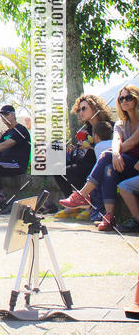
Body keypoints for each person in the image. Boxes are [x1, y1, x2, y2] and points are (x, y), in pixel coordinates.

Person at [58, 84, 139, 231]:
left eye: (128, 97)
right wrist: (115, 153)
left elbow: (131, 143)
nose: (124, 101)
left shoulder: (110, 125)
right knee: (108, 169)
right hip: (122, 163)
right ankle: (108, 216)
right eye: (121, 99)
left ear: (136, 99)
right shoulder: (120, 124)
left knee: (106, 156)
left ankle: (82, 195)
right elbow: (116, 141)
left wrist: (113, 153)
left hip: (134, 164)